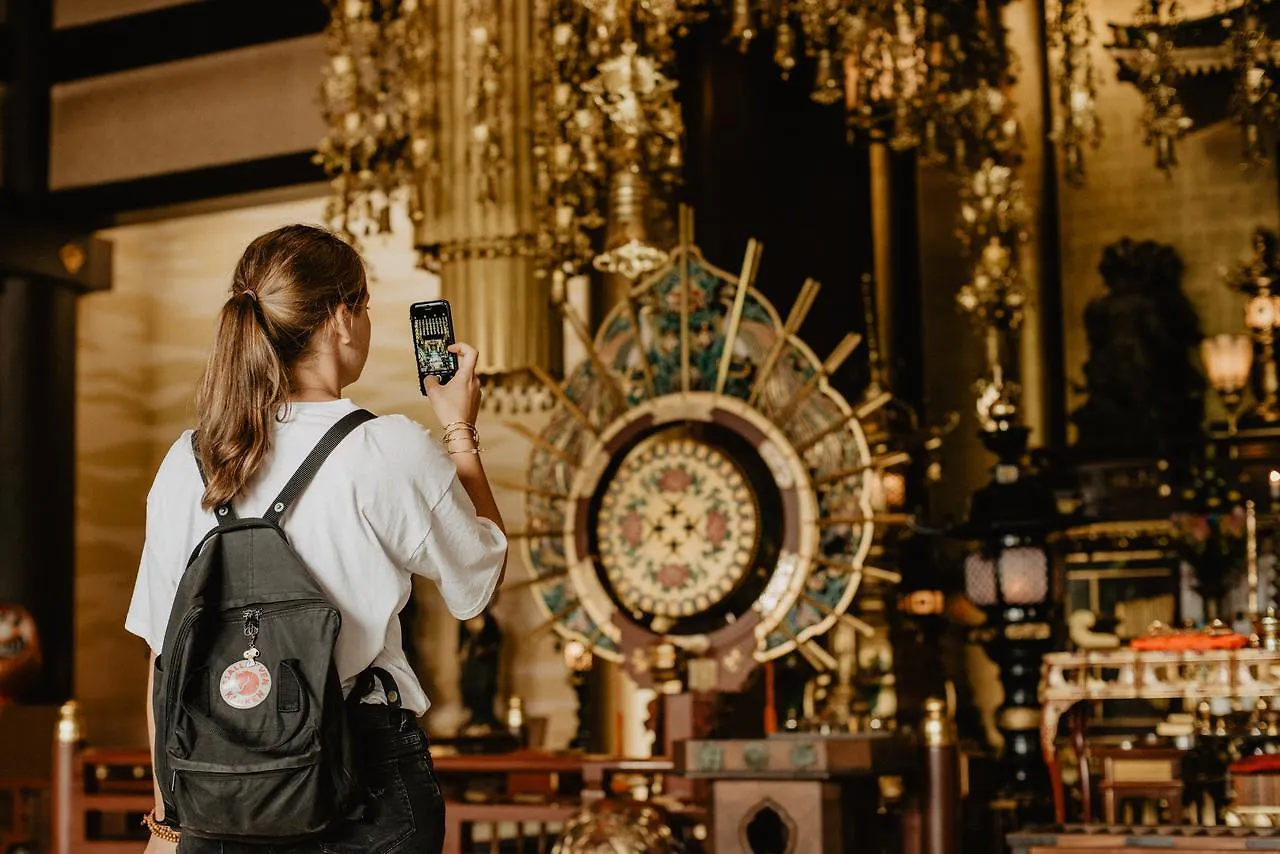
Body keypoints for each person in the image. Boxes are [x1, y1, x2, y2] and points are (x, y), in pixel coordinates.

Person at [124, 224, 508, 853]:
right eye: (365, 309)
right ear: (340, 317)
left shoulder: (189, 461)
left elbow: (166, 657)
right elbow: (481, 578)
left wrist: (167, 819)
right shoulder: (385, 447)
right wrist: (459, 429)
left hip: (214, 790)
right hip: (364, 783)